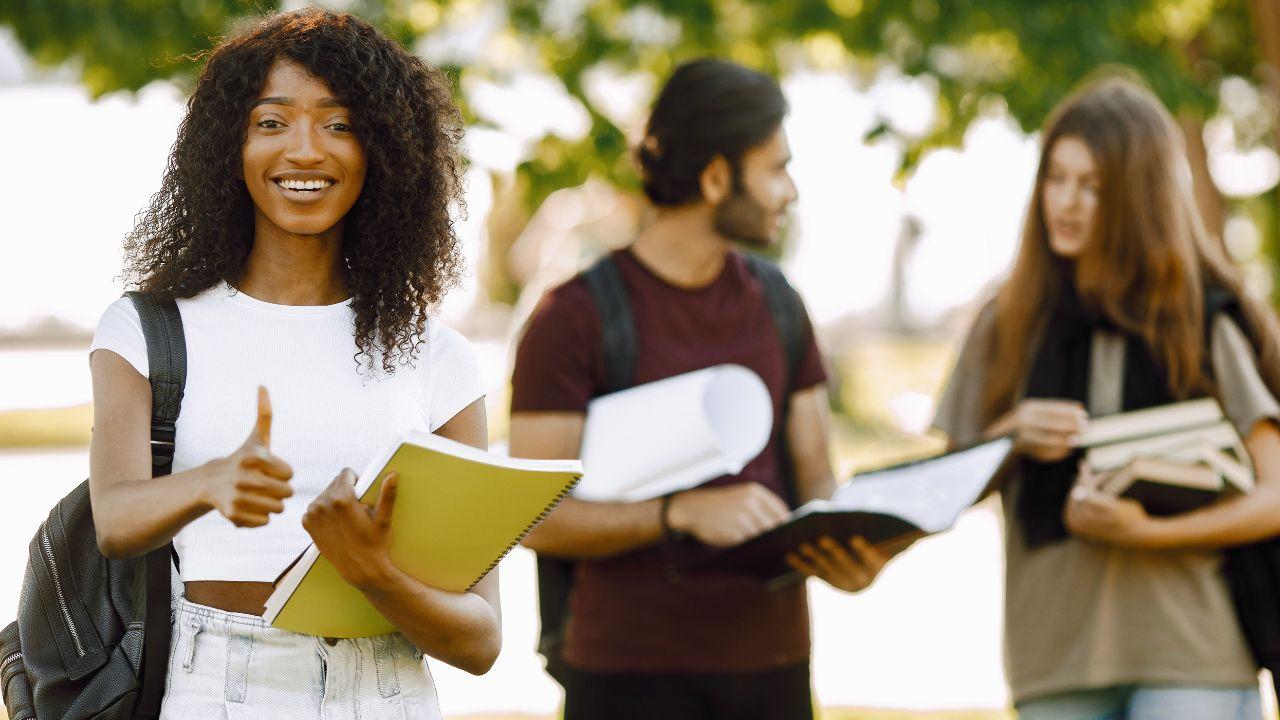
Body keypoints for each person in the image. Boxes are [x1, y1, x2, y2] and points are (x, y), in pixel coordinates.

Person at [86, 9, 498, 718]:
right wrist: (209, 482)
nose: (305, 151)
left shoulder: (439, 358)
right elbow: (115, 519)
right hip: (213, 686)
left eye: (338, 124)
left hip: (387, 689)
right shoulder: (150, 330)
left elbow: (484, 640)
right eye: (271, 122)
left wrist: (373, 574)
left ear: (384, 151)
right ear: (228, 146)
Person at [509, 58, 891, 720]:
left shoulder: (780, 303)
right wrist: (678, 512)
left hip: (772, 673)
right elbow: (532, 518)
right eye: (776, 167)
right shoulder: (573, 317)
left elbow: (816, 483)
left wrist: (853, 545)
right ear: (716, 177)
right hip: (625, 678)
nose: (791, 191)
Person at [932, 76, 1280, 720]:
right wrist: (1008, 434)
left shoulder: (1207, 318)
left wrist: (1148, 534)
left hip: (1192, 656)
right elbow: (945, 487)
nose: (1066, 203)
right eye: (1056, 178)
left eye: (1093, 186)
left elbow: (1274, 498)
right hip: (1053, 659)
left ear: (1138, 196)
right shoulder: (1003, 321)